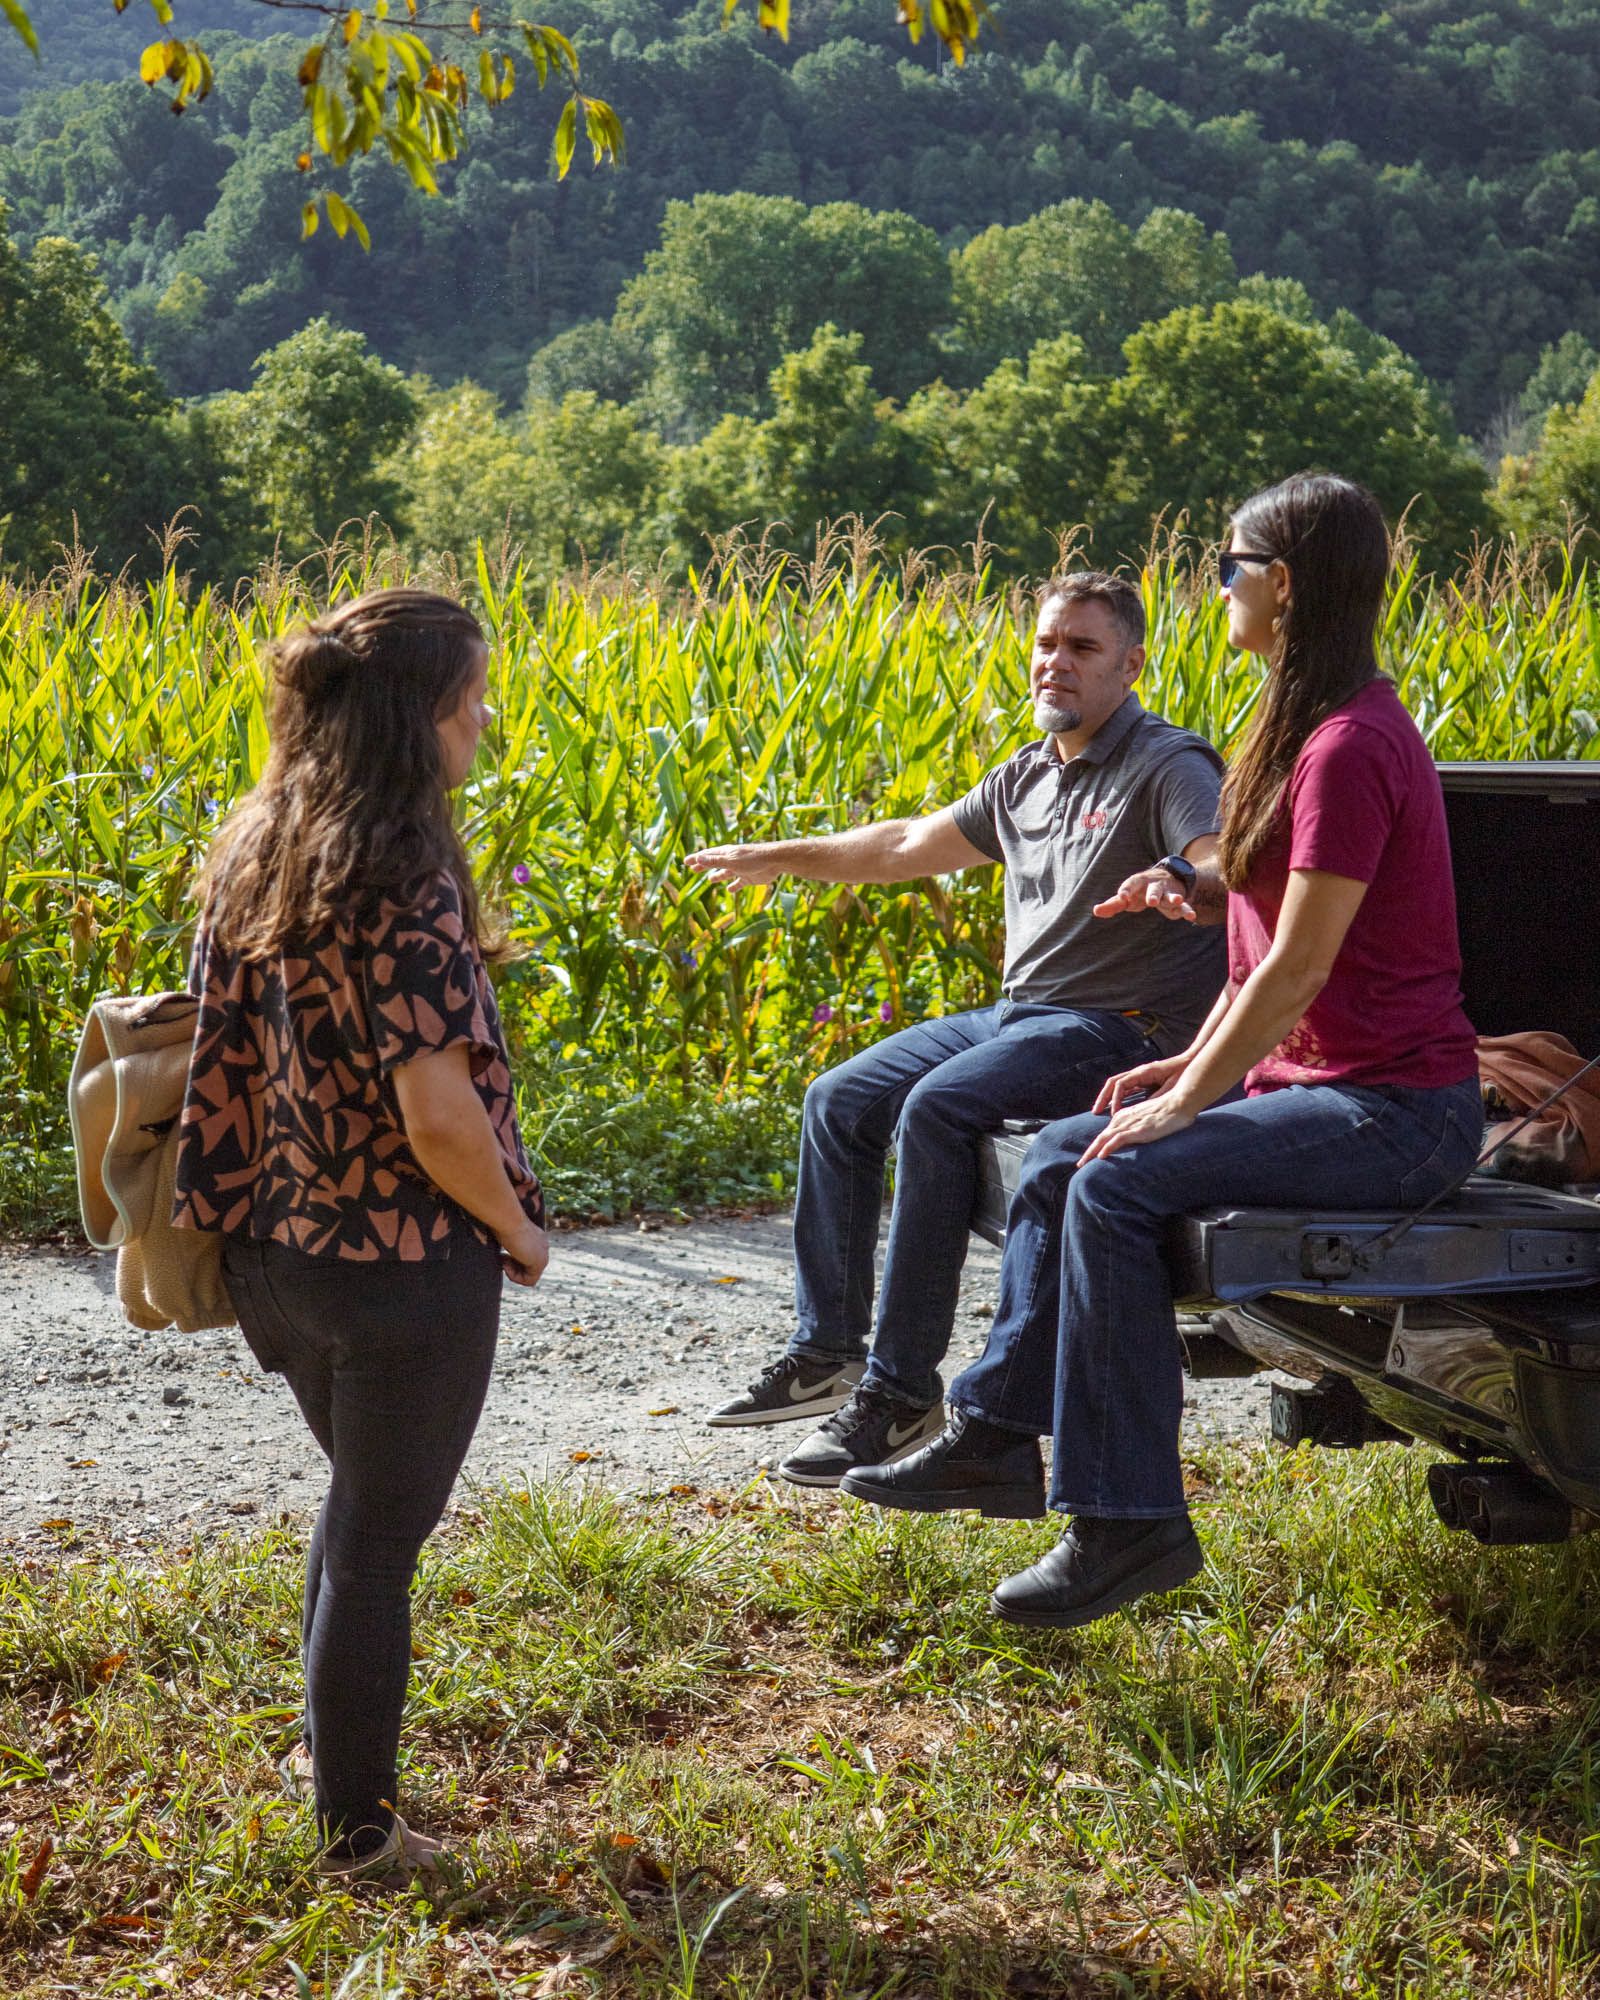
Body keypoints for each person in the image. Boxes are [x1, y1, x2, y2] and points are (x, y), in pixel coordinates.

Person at [841, 473, 1483, 1629]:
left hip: (1396, 1109)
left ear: (1281, 584)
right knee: (1061, 1153)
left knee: (1120, 1179)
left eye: (1227, 565)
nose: (1216, 585)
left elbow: (1300, 965)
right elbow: (1257, 930)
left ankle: (1128, 1518)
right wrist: (1191, 938)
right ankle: (991, 1437)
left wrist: (1190, 1091)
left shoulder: (1346, 745)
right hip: (1321, 1086)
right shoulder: (1292, 730)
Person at [687, 571, 1228, 1489]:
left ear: (1131, 664)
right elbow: (905, 845)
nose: (1055, 663)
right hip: (1025, 1013)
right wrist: (776, 858)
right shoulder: (1026, 775)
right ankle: (828, 1353)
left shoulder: (1165, 762)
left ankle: (899, 1398)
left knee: (936, 1109)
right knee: (839, 1099)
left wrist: (1184, 872)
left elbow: (1218, 848)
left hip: (1125, 1027)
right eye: (1046, 645)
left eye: (1082, 648)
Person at [173, 588, 550, 1884]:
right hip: (401, 1265)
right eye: (471, 702)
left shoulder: (258, 838)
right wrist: (518, 1228)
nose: (485, 724)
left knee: (356, 1519)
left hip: (274, 1256)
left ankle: (337, 1761)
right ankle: (361, 1839)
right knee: (379, 1543)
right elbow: (438, 1117)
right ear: (417, 722)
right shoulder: (402, 874)